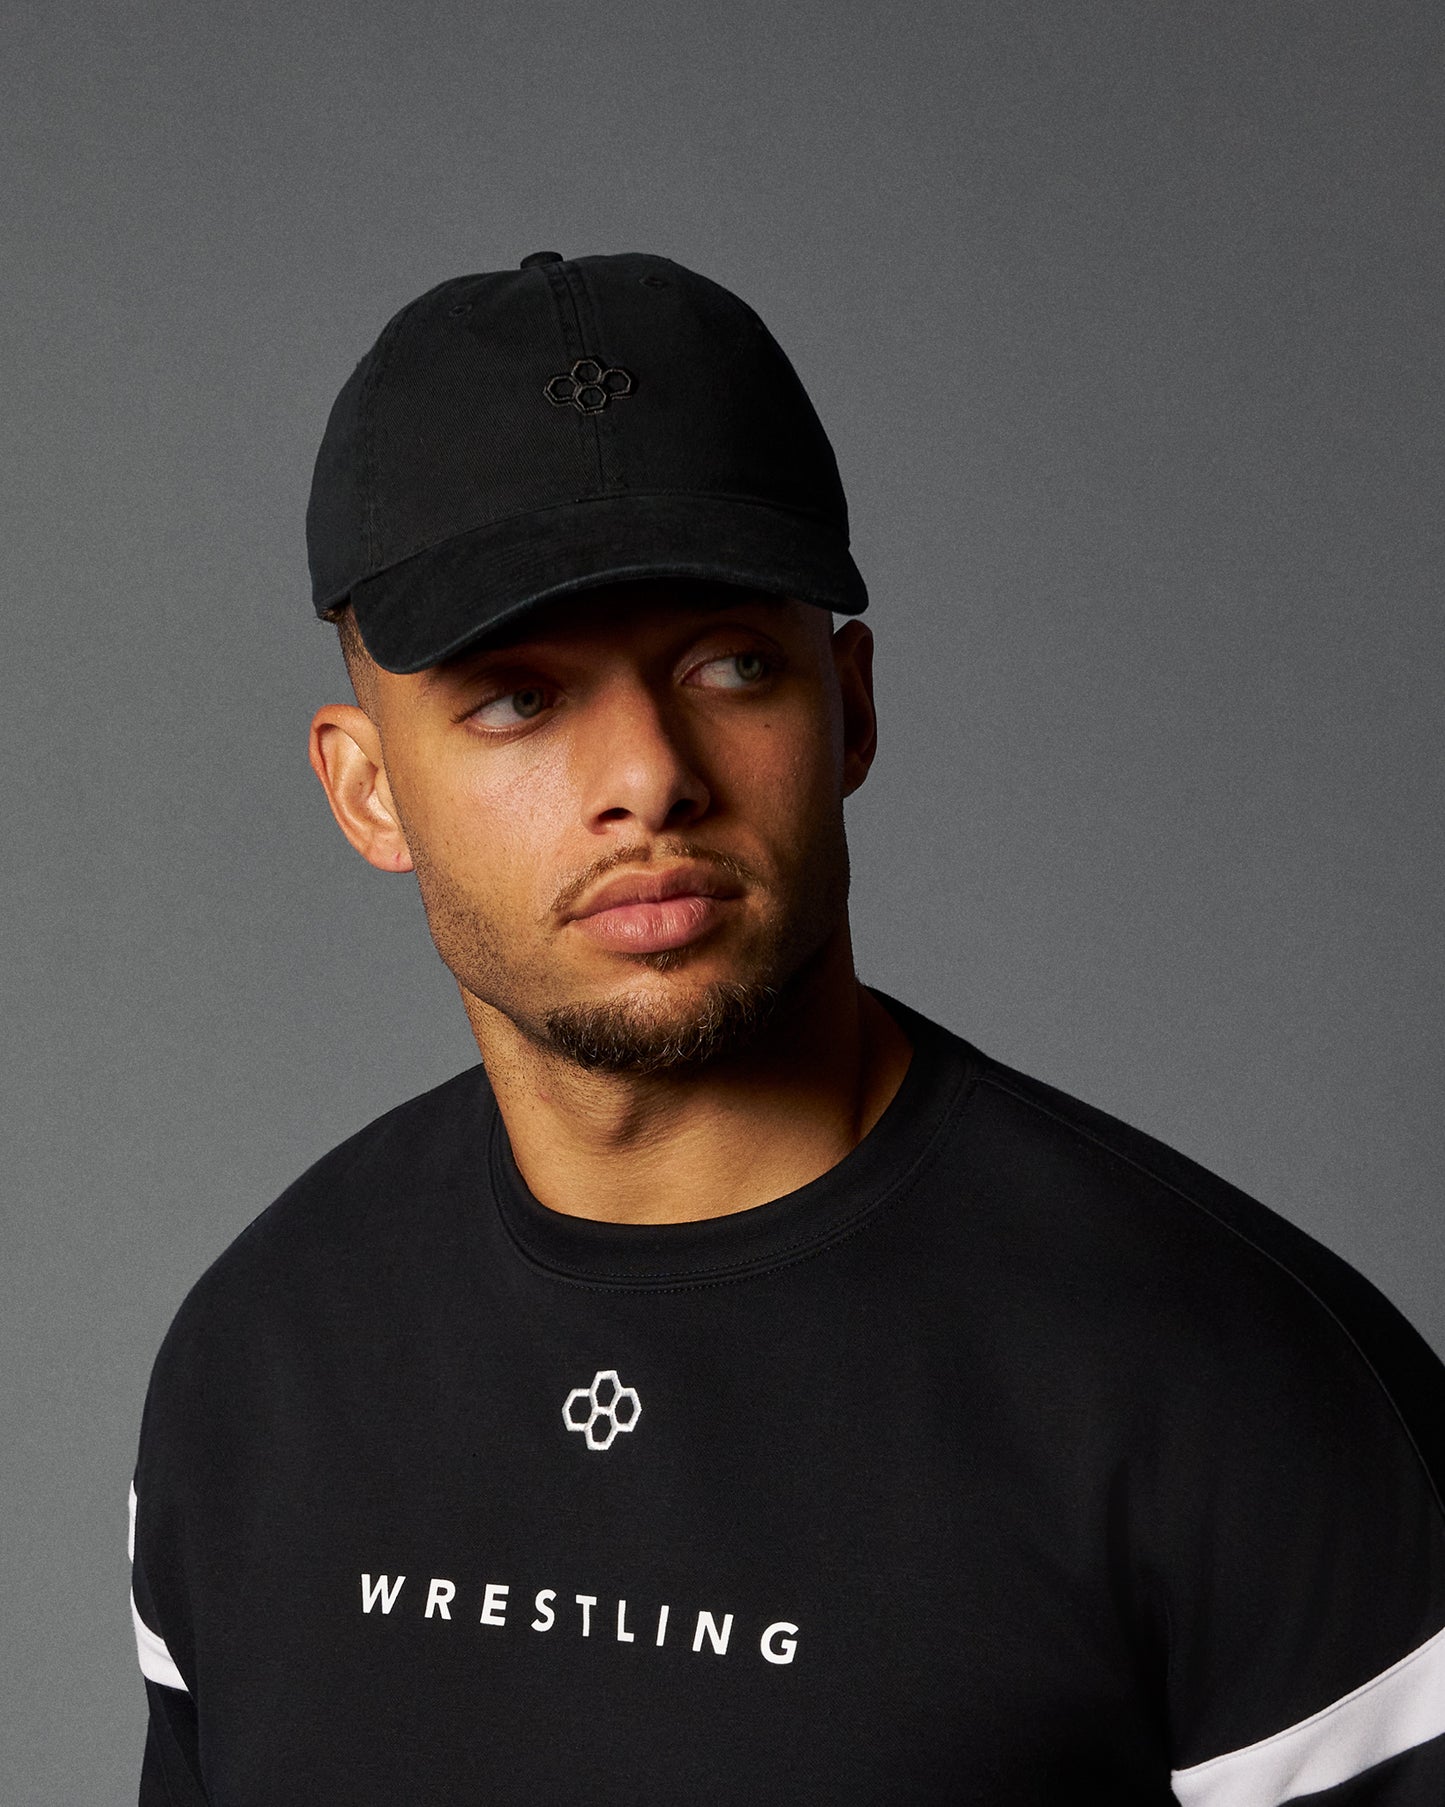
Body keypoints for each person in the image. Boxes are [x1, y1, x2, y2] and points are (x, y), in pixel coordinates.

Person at [128, 250, 1445, 1806]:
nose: (647, 775)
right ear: (365, 788)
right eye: (516, 699)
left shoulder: (1233, 1390)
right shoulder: (260, 1366)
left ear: (851, 706)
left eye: (729, 664)